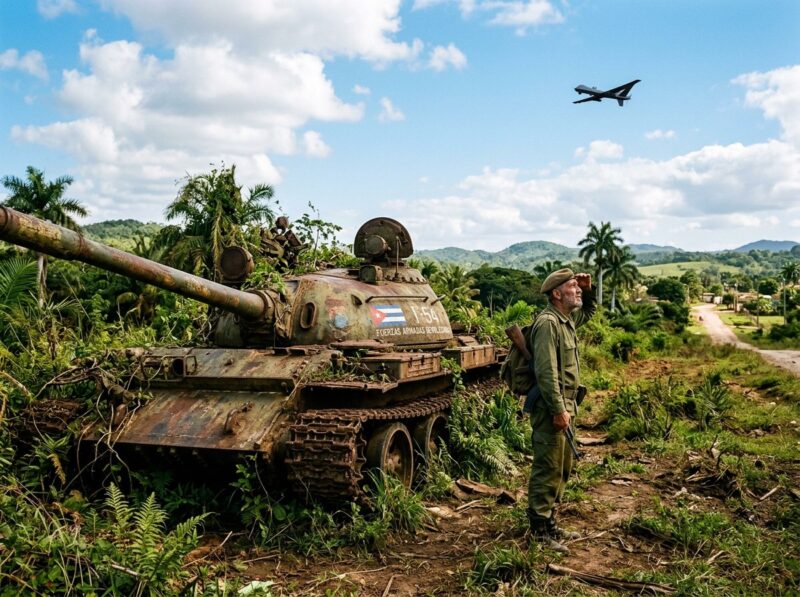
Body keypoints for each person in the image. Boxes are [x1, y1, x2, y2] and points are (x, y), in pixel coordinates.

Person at [527, 268, 596, 553]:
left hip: (568, 404)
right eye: (572, 286)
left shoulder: (565, 320)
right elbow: (546, 372)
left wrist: (588, 289)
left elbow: (588, 313)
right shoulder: (548, 324)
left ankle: (550, 521)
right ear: (556, 294)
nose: (577, 290)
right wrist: (557, 409)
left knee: (563, 467)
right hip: (551, 405)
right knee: (549, 466)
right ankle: (539, 530)